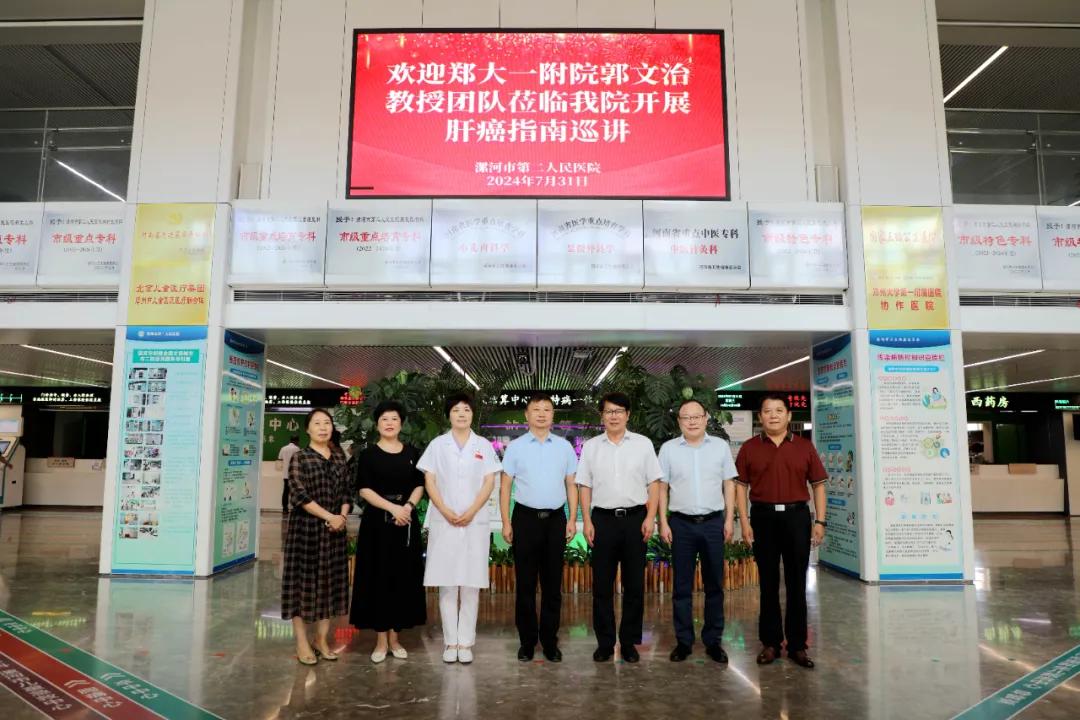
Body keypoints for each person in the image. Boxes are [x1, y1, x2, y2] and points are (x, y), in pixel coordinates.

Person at [735, 394, 827, 669]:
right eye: (767, 411)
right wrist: (744, 521)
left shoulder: (804, 447)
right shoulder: (750, 448)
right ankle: (771, 643)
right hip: (762, 518)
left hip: (797, 517)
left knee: (797, 582)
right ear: (760, 417)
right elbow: (740, 486)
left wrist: (820, 521)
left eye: (778, 410)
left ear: (789, 415)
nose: (773, 415)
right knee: (768, 583)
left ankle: (798, 645)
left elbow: (818, 485)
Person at [577, 391, 662, 663]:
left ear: (628, 414)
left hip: (636, 519)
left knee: (634, 585)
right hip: (602, 520)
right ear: (602, 416)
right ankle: (604, 643)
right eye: (609, 411)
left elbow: (654, 483)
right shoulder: (591, 447)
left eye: (619, 411)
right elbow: (584, 485)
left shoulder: (643, 444)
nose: (614, 416)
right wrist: (587, 520)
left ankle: (628, 642)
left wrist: (650, 517)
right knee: (602, 585)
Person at [419, 392, 501, 664]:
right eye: (456, 410)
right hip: (444, 520)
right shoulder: (437, 445)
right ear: (449, 415)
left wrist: (471, 511)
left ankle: (465, 642)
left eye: (466, 409)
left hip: (474, 521)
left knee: (470, 584)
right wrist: (444, 509)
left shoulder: (483, 445)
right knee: (447, 583)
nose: (462, 414)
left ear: (472, 414)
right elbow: (429, 480)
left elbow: (489, 481)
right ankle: (450, 642)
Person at [500, 393, 579, 663]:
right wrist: (506, 521)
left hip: (555, 520)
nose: (542, 414)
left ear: (553, 415)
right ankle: (527, 642)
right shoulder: (516, 447)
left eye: (547, 409)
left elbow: (571, 484)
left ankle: (550, 642)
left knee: (552, 585)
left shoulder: (564, 447)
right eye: (536, 409)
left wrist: (572, 519)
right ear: (527, 415)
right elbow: (506, 486)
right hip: (525, 520)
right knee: (525, 584)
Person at [657, 399, 737, 663]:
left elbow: (729, 483)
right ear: (679, 421)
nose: (691, 421)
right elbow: (661, 488)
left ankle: (713, 641)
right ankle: (684, 642)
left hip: (714, 523)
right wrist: (663, 522)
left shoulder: (720, 447)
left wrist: (729, 520)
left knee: (715, 585)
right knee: (681, 586)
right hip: (681, 524)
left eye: (696, 416)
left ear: (705, 418)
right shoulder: (668, 449)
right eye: (686, 417)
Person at [349, 401, 427, 663]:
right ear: (377, 424)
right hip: (377, 524)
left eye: (394, 418)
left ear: (401, 423)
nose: (390, 423)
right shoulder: (368, 455)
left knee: (402, 579)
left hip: (405, 522)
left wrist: (407, 507)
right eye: (384, 419)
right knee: (378, 579)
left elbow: (419, 484)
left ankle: (395, 638)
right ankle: (381, 640)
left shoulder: (412, 453)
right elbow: (364, 489)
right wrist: (392, 508)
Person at [281, 409, 351, 665]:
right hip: (306, 531)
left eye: (327, 423)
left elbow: (347, 492)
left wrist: (341, 516)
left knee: (330, 585)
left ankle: (321, 639)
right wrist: (329, 516)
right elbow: (298, 494)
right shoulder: (300, 457)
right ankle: (302, 641)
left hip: (335, 532)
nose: (323, 427)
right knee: (302, 586)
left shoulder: (339, 457)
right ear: (308, 429)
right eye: (317, 423)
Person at [278, 435, 301, 514]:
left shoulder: (283, 448)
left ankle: (285, 509)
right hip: (294, 474)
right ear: (296, 441)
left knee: (285, 491)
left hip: (285, 474)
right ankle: (295, 508)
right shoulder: (297, 449)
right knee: (295, 492)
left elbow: (280, 459)